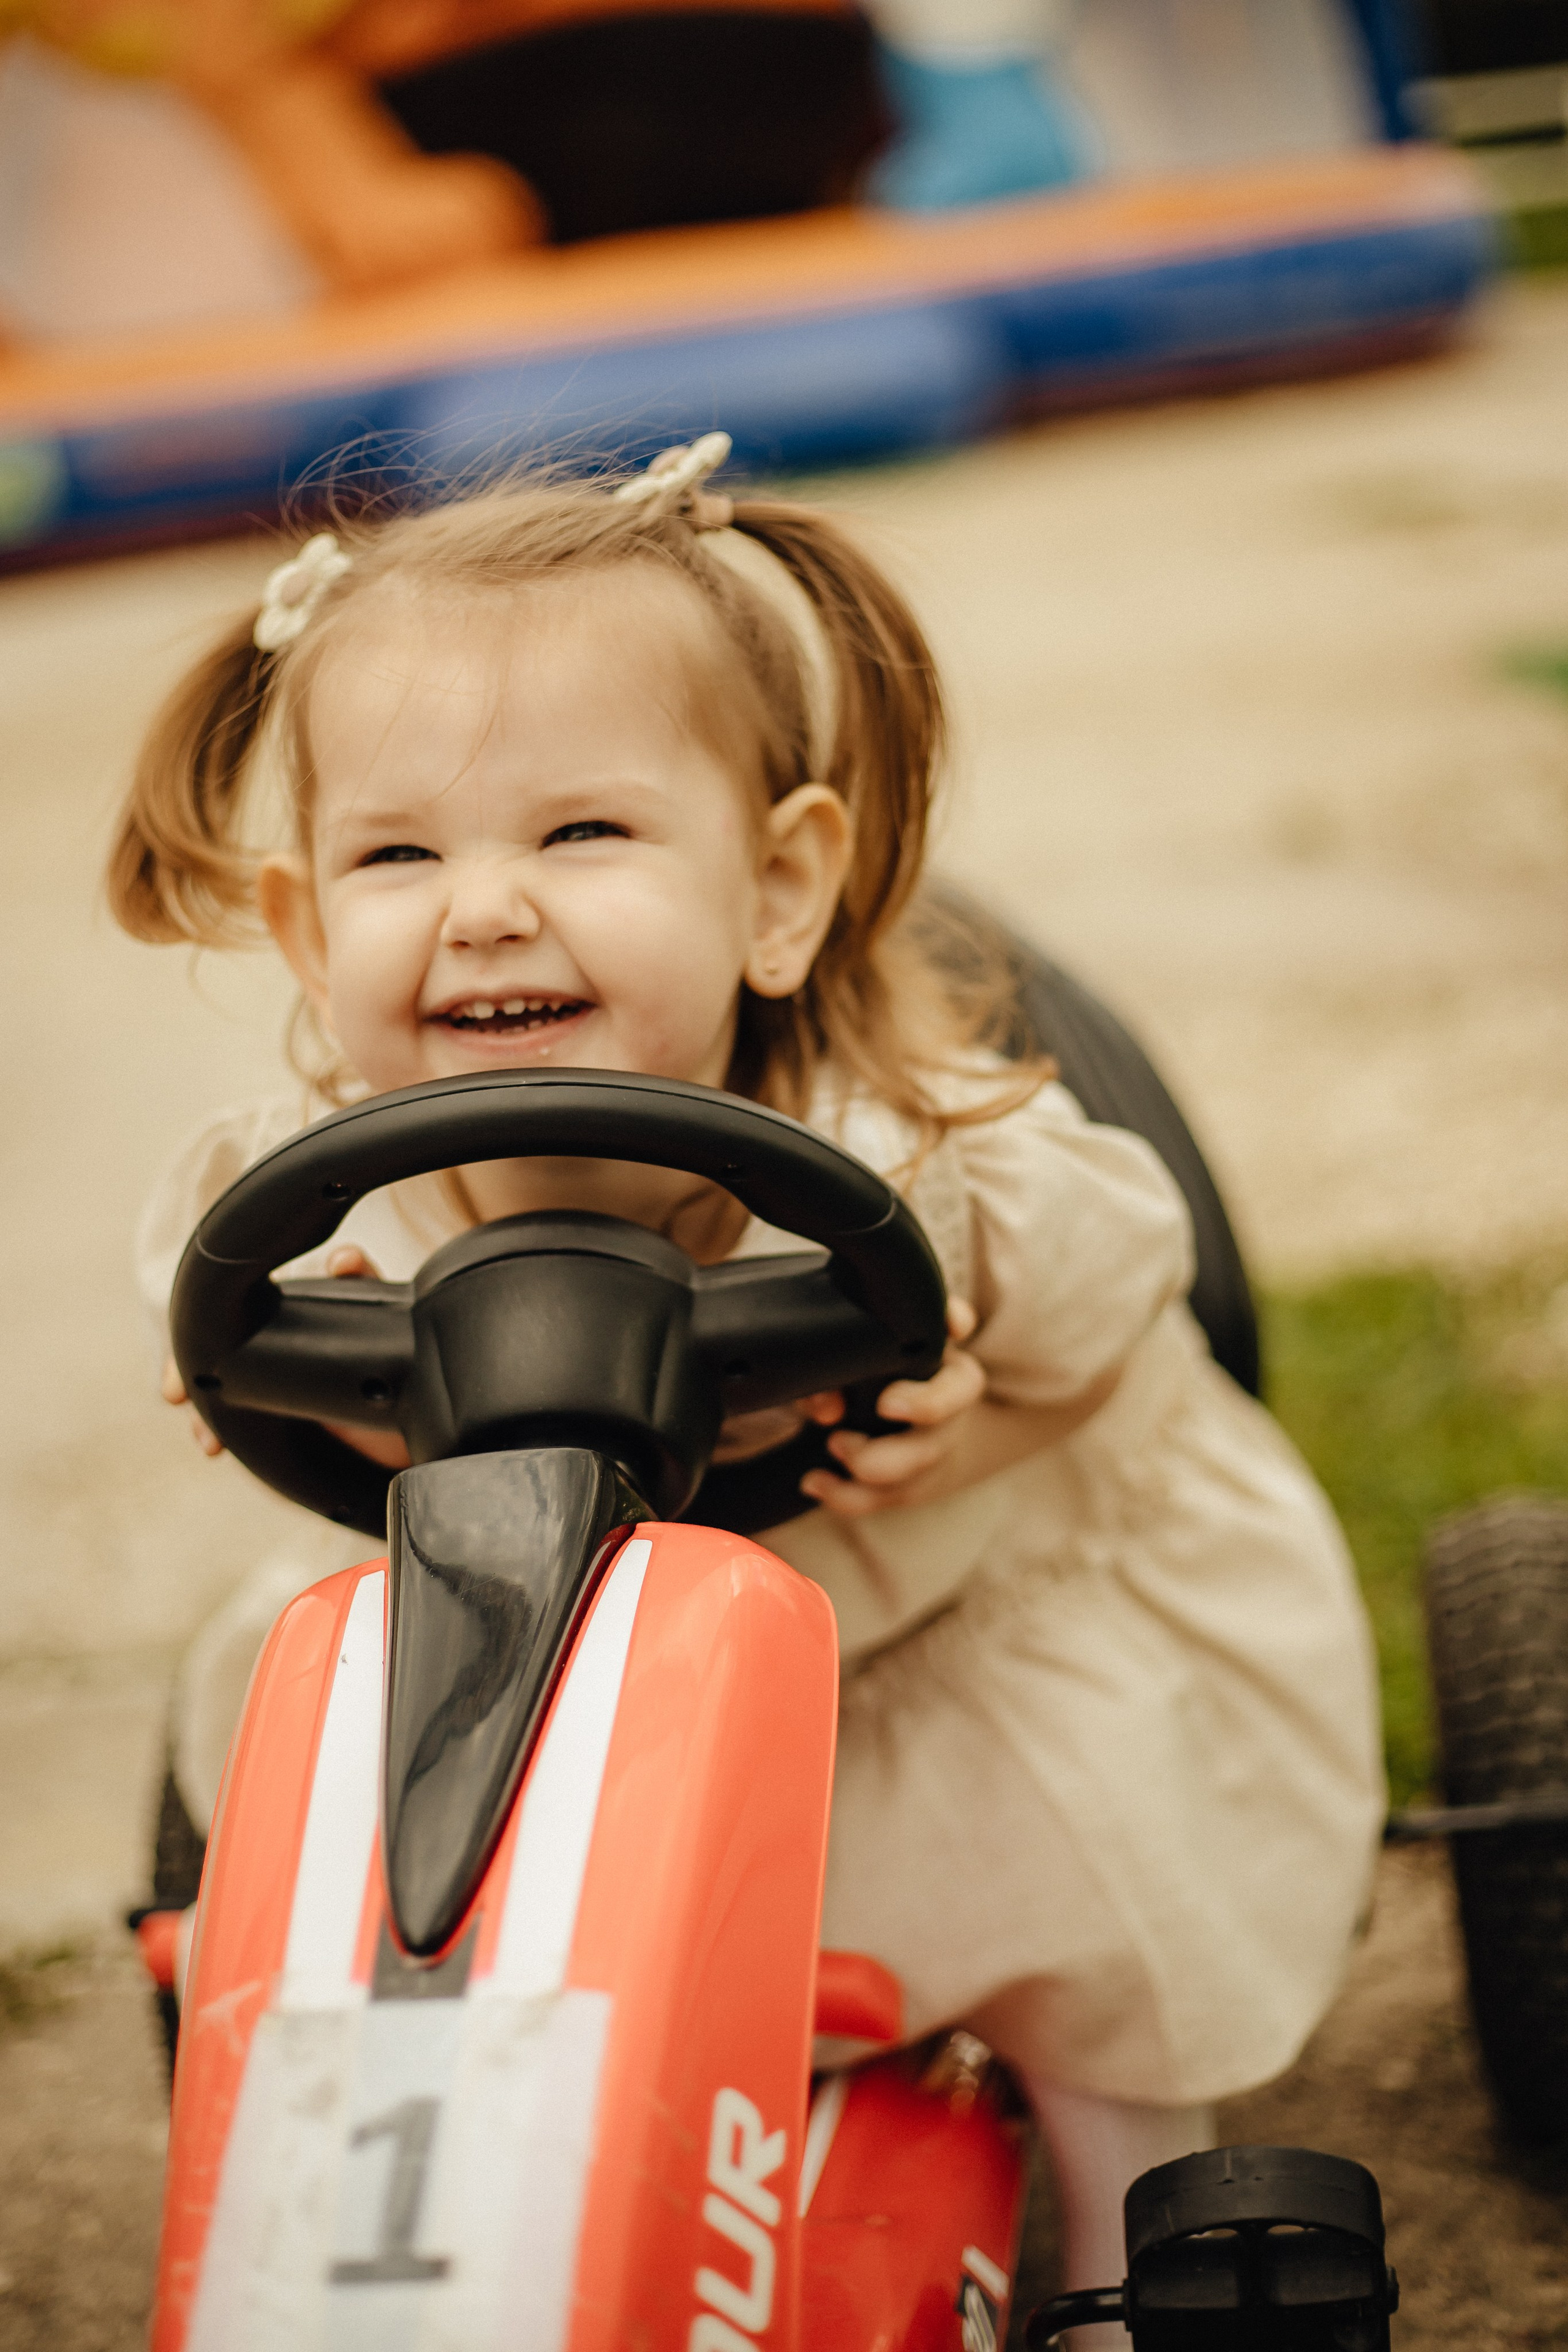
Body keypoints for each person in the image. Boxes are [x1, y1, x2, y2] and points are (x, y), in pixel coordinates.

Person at [109, 433, 1384, 2320]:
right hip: (541, 1661)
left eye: (580, 833)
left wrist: (988, 1424)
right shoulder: (300, 1206)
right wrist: (284, 1395)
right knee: (334, 1806)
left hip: (933, 1633)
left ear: (778, 888)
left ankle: (1147, 2246)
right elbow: (232, 1348)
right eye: (398, 854)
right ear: (309, 928)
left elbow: (1128, 1299)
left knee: (1090, 1925)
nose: (481, 907)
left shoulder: (925, 1158)